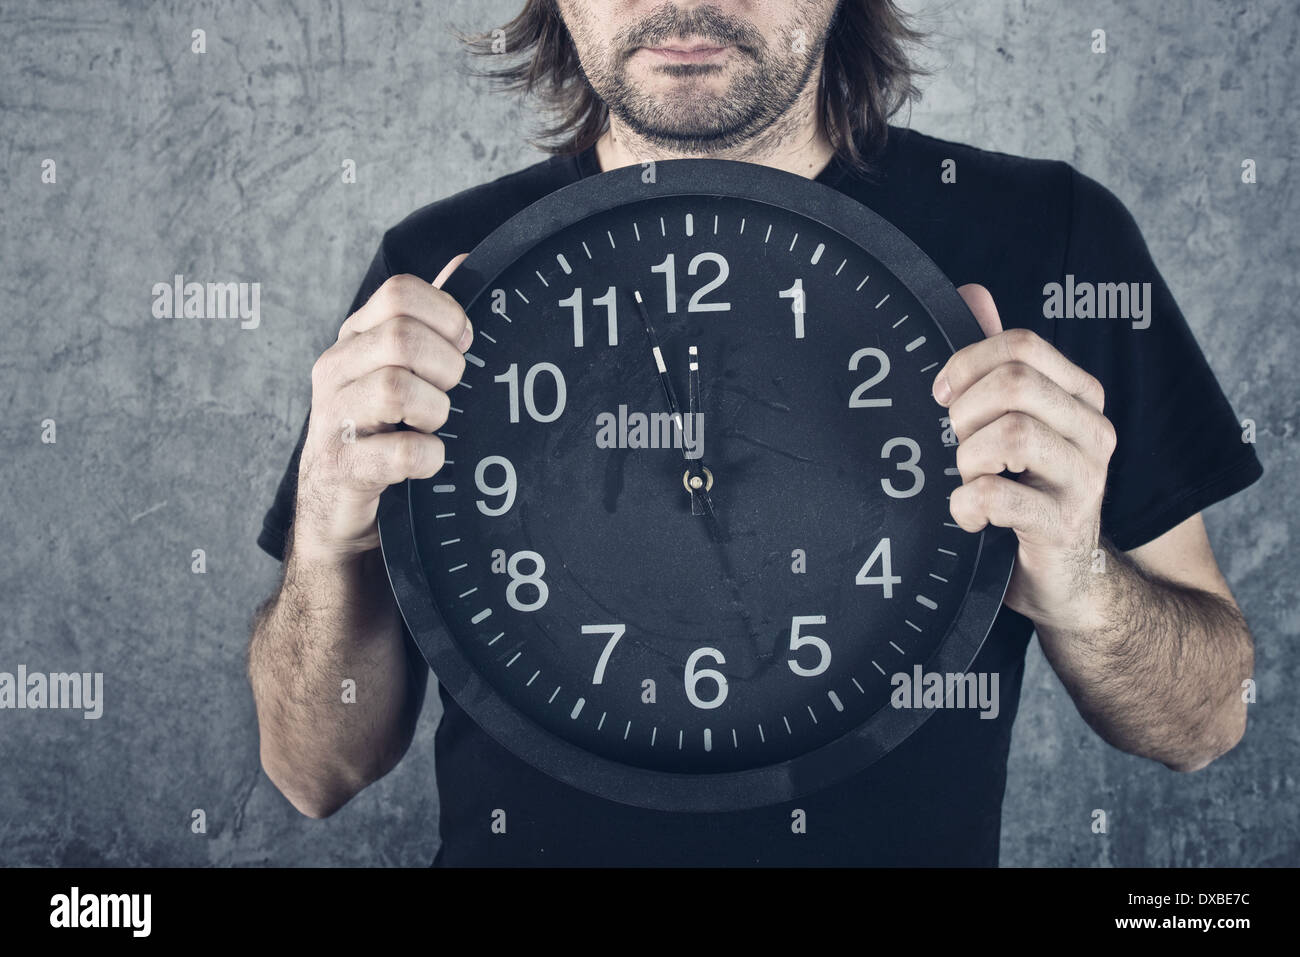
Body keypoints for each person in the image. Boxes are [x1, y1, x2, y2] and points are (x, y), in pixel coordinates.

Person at [247, 0, 1263, 866]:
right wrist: (329, 546)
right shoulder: (439, 275)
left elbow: (1202, 722)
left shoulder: (1050, 236)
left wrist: (1077, 582)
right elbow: (316, 771)